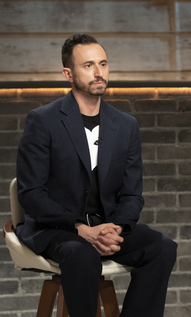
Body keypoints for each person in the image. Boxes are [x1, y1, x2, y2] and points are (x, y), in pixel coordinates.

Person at [15, 34, 177, 317]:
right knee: (82, 254)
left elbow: (131, 194)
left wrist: (115, 228)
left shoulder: (125, 125)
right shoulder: (43, 120)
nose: (99, 72)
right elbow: (31, 194)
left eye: (103, 64)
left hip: (105, 225)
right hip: (55, 229)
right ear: (68, 73)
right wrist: (80, 228)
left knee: (162, 247)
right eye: (88, 65)